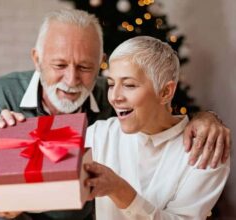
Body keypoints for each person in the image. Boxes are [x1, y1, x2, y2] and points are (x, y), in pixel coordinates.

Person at [0, 9, 230, 220]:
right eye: (60, 65)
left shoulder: (110, 97)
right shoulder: (2, 93)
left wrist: (206, 117)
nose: (72, 79)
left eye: (85, 67)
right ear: (37, 59)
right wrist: (11, 139)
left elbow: (157, 110)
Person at [83, 36, 230, 219]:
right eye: (112, 84)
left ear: (165, 92)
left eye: (129, 85)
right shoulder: (99, 135)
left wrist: (118, 189)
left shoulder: (206, 150)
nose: (115, 96)